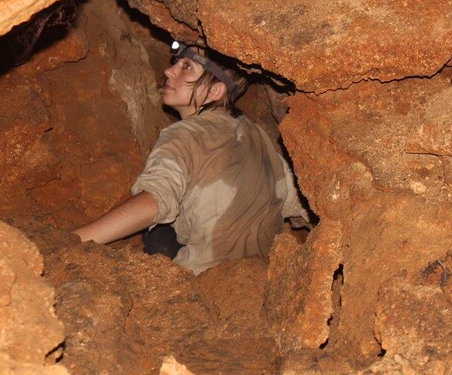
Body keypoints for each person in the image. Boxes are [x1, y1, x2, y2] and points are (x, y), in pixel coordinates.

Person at [73, 41, 310, 275]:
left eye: (187, 67)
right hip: (262, 280)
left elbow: (154, 202)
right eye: (177, 61)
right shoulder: (261, 139)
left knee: (156, 232)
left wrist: (74, 241)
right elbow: (302, 202)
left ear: (215, 91)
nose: (169, 70)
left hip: (204, 281)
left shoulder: (183, 136)